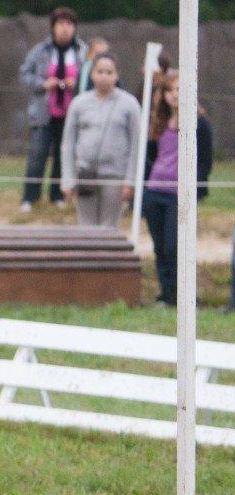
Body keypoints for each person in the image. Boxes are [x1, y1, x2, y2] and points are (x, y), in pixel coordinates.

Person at [142, 68, 212, 307]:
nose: (174, 95)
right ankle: (167, 294)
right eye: (169, 90)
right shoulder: (159, 122)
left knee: (175, 247)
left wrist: (195, 191)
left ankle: (184, 295)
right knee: (160, 247)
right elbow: (150, 157)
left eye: (179, 89)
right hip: (154, 192)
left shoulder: (199, 123)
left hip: (179, 195)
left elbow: (205, 161)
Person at [18, 7, 87, 213]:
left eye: (69, 24)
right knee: (38, 154)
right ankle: (30, 197)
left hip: (71, 112)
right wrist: (43, 83)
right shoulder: (41, 50)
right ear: (53, 27)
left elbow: (88, 76)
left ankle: (57, 195)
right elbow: (24, 75)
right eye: (61, 24)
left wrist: (76, 83)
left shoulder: (82, 51)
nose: (65, 29)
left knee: (62, 154)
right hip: (43, 112)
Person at [60, 52, 140, 227]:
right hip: (85, 173)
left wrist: (130, 181)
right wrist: (68, 179)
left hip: (115, 176)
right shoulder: (79, 103)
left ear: (117, 75)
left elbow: (136, 144)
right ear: (91, 73)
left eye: (109, 72)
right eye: (100, 71)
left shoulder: (129, 104)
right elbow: (68, 143)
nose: (104, 76)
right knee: (86, 226)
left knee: (108, 227)